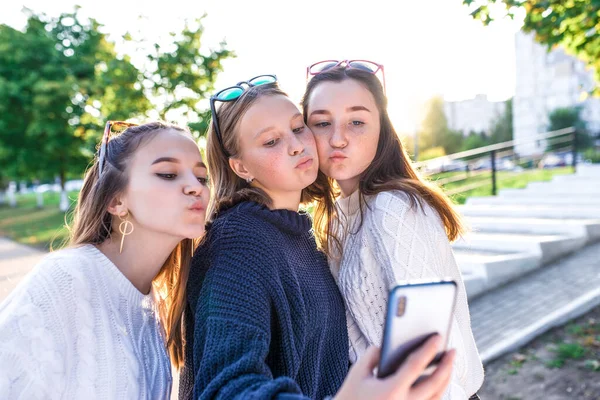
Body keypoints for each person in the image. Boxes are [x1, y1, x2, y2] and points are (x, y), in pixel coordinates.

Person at [179, 75, 456, 400]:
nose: (297, 145)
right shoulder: (238, 241)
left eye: (298, 128)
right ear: (240, 167)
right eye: (271, 142)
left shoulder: (299, 235)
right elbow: (226, 389)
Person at [301, 60, 485, 399]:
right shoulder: (335, 216)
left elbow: (432, 350)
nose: (338, 138)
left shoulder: (393, 207)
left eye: (357, 122)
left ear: (382, 130)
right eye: (322, 123)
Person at [0, 121, 209, 399]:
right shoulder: (66, 278)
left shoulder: (154, 306)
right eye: (168, 174)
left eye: (201, 177)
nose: (195, 187)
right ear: (116, 201)